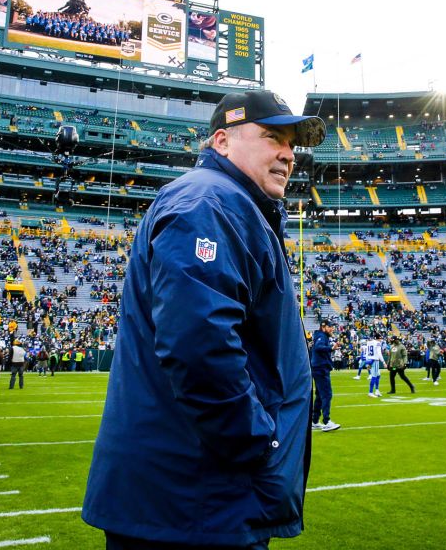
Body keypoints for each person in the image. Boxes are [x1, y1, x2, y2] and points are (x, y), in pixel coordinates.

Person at [83, 89, 325, 548]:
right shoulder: (209, 203)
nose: (288, 154)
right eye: (273, 137)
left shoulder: (227, 204)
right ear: (222, 141)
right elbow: (198, 345)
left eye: (292, 144)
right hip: (198, 499)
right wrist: (259, 443)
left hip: (196, 497)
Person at [310, 321, 340, 432]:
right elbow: (318, 347)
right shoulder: (321, 336)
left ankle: (315, 421)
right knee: (327, 394)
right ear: (324, 327)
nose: (332, 329)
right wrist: (331, 348)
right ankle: (327, 421)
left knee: (319, 395)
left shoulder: (320, 335)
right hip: (321, 369)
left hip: (318, 368)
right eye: (330, 327)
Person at [364, 334, 385, 398]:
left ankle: (377, 390)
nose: (381, 339)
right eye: (380, 338)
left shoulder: (369, 342)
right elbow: (379, 353)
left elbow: (367, 352)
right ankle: (370, 392)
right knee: (374, 376)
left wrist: (367, 362)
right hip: (375, 360)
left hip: (370, 360)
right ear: (378, 338)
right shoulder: (377, 343)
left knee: (378, 375)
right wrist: (383, 362)